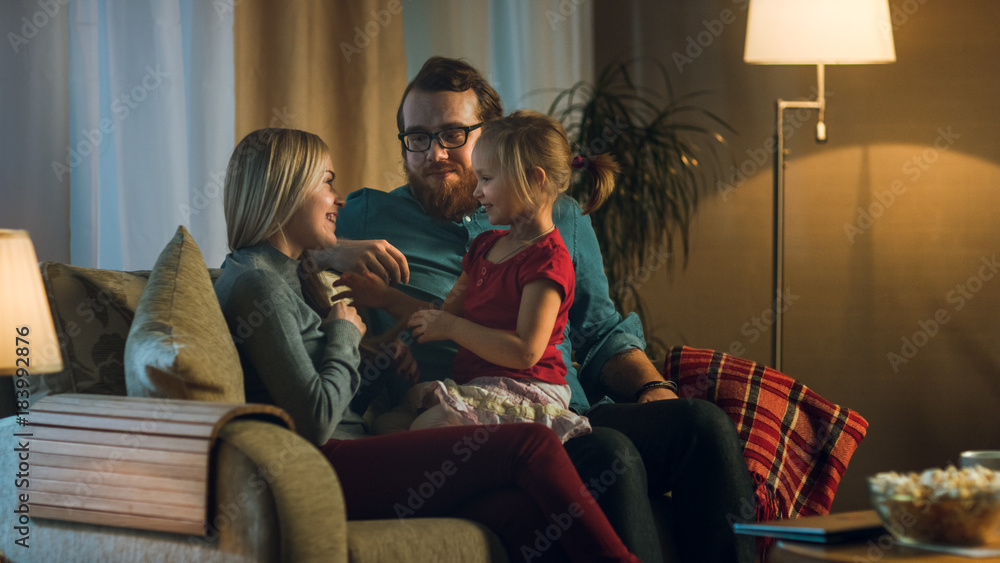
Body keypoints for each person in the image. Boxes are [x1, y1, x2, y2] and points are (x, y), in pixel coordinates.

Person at [327, 57, 757, 563]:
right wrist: (332, 251)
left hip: (568, 407)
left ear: (495, 136)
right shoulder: (367, 214)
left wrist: (651, 387)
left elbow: (600, 333)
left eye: (452, 134)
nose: (434, 154)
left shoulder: (561, 216)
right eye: (417, 137)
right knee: (609, 455)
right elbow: (278, 235)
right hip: (478, 424)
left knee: (701, 425)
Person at [213, 127, 640, 563]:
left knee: (519, 515)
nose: (338, 199)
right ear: (285, 191)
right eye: (327, 182)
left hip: (349, 447)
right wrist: (344, 332)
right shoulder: (256, 282)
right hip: (327, 462)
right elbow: (315, 419)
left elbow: (333, 397)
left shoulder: (286, 273)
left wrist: (379, 368)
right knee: (531, 445)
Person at [340, 110, 618, 443]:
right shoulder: (486, 246)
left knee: (427, 428)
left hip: (528, 389)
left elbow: (525, 351)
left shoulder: (548, 260)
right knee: (388, 424)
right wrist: (385, 297)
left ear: (534, 179)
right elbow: (444, 315)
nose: (476, 193)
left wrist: (452, 329)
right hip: (482, 387)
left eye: (486, 179)